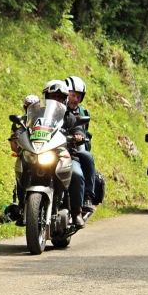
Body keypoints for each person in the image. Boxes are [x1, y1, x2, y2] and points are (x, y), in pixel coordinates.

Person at [42, 80, 87, 227]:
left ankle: (76, 212)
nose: (57, 100)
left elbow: (77, 127)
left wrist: (78, 135)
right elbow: (27, 124)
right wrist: (19, 133)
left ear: (64, 99)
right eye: (53, 96)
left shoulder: (69, 117)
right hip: (42, 152)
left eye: (60, 97)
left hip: (65, 154)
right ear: (47, 97)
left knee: (77, 174)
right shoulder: (39, 113)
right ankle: (21, 203)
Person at [65, 76, 97, 212]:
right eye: (72, 95)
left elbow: (80, 128)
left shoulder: (81, 113)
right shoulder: (54, 109)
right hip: (52, 147)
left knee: (86, 156)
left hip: (73, 148)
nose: (75, 99)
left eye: (78, 96)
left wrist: (80, 136)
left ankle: (87, 196)